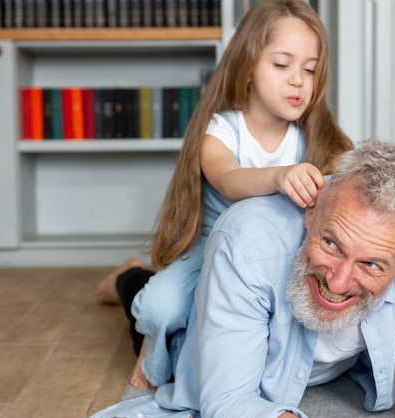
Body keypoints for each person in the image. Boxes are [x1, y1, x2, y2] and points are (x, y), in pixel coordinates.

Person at [93, 139, 395, 418]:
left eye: (370, 264)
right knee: (158, 307)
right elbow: (226, 404)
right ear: (312, 209)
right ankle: (128, 278)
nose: (339, 280)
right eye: (331, 243)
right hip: (203, 320)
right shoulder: (245, 239)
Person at [94, 0, 352, 388]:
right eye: (282, 65)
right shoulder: (223, 130)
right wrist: (278, 176)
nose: (298, 80)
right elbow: (230, 179)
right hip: (213, 246)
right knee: (163, 308)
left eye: (310, 69)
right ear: (247, 66)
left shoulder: (314, 135)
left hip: (277, 254)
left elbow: (359, 179)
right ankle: (131, 283)